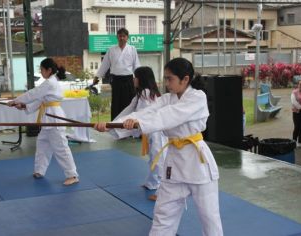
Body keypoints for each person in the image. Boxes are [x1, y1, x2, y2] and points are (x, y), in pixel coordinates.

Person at [95, 58, 223, 236]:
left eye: (170, 79)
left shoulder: (197, 98)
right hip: (175, 165)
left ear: (185, 79)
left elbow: (169, 116)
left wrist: (138, 123)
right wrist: (111, 125)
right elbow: (145, 112)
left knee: (209, 218)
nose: (167, 83)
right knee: (163, 215)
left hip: (197, 163)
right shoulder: (167, 99)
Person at [7, 58, 79, 186]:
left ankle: (72, 175)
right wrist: (24, 106)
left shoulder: (50, 83)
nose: (41, 72)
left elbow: (33, 94)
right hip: (47, 117)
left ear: (49, 70)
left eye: (42, 69)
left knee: (61, 148)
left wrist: (16, 100)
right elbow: (40, 100)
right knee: (42, 145)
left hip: (54, 118)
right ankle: (39, 170)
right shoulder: (49, 83)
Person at [107, 66, 168, 193]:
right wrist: (111, 125)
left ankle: (161, 188)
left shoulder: (146, 93)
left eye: (136, 77)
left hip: (157, 131)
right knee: (155, 157)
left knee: (158, 158)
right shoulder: (144, 93)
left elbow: (141, 115)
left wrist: (111, 126)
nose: (133, 80)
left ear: (142, 79)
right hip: (152, 130)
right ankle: (152, 182)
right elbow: (129, 111)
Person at [94, 27, 141, 120]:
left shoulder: (132, 49)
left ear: (127, 37)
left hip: (128, 80)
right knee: (116, 102)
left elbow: (136, 65)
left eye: (124, 36)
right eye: (120, 36)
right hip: (116, 80)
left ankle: (129, 124)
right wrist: (97, 76)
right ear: (117, 37)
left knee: (129, 103)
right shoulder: (111, 50)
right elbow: (105, 64)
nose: (122, 38)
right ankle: (116, 124)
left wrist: (140, 78)